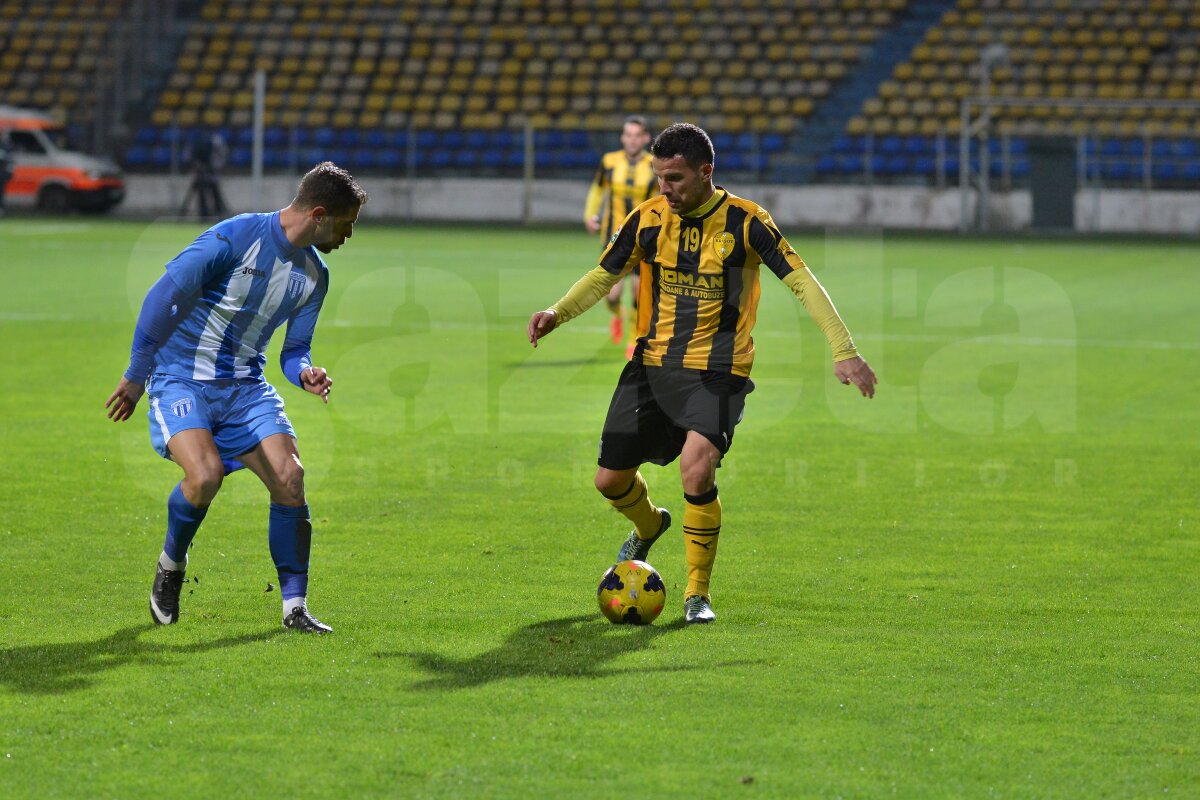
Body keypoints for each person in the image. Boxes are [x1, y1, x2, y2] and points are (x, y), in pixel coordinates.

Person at [529, 123, 877, 624]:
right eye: (658, 177)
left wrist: (843, 350)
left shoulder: (746, 222)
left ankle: (697, 593)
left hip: (720, 370)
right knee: (609, 481)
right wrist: (556, 313)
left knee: (697, 464)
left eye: (673, 178)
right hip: (652, 367)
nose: (663, 189)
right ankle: (650, 524)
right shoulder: (647, 219)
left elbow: (802, 282)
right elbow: (606, 274)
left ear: (705, 172)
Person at [106, 161, 367, 634]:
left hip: (246, 388)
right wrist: (136, 374)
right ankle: (171, 565)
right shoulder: (234, 237)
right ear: (321, 213)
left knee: (290, 478)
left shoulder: (314, 275)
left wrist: (304, 371)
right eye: (346, 225)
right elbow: (163, 296)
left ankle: (294, 608)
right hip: (182, 379)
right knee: (204, 477)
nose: (348, 236)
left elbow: (294, 349)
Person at [583, 115, 656, 356]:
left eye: (638, 135)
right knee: (611, 295)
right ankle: (617, 314)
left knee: (638, 292)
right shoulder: (609, 162)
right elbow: (597, 189)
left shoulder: (654, 165)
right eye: (628, 135)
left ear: (645, 138)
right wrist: (590, 215)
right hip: (613, 237)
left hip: (644, 238)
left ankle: (634, 339)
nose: (633, 140)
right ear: (622, 137)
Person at [179, 127, 229, 219]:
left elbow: (221, 155)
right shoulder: (199, 141)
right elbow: (187, 156)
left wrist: (212, 167)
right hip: (207, 170)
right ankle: (209, 213)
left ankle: (215, 212)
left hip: (210, 170)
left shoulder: (214, 141)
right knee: (208, 191)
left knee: (214, 191)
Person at [0, 132, 12, 218]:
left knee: (1, 192)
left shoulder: (5, 146)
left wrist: (9, 173)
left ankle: (1, 209)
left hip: (2, 174)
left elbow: (10, 161)